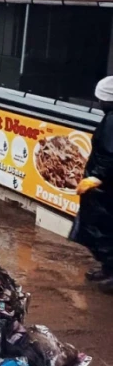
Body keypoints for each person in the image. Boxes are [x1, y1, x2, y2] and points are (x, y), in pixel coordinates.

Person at [71, 77, 113, 293]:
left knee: (103, 229)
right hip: (105, 187)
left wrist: (96, 176)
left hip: (106, 187)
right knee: (100, 229)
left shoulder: (112, 121)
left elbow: (109, 154)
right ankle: (108, 268)